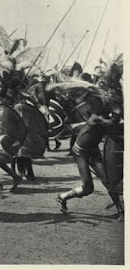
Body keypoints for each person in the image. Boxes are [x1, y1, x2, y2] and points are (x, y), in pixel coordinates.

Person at [56, 78, 124, 221]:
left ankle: (121, 210)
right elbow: (112, 122)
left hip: (92, 150)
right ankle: (62, 197)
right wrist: (118, 111)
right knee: (88, 188)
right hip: (80, 153)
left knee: (108, 182)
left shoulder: (101, 114)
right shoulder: (97, 117)